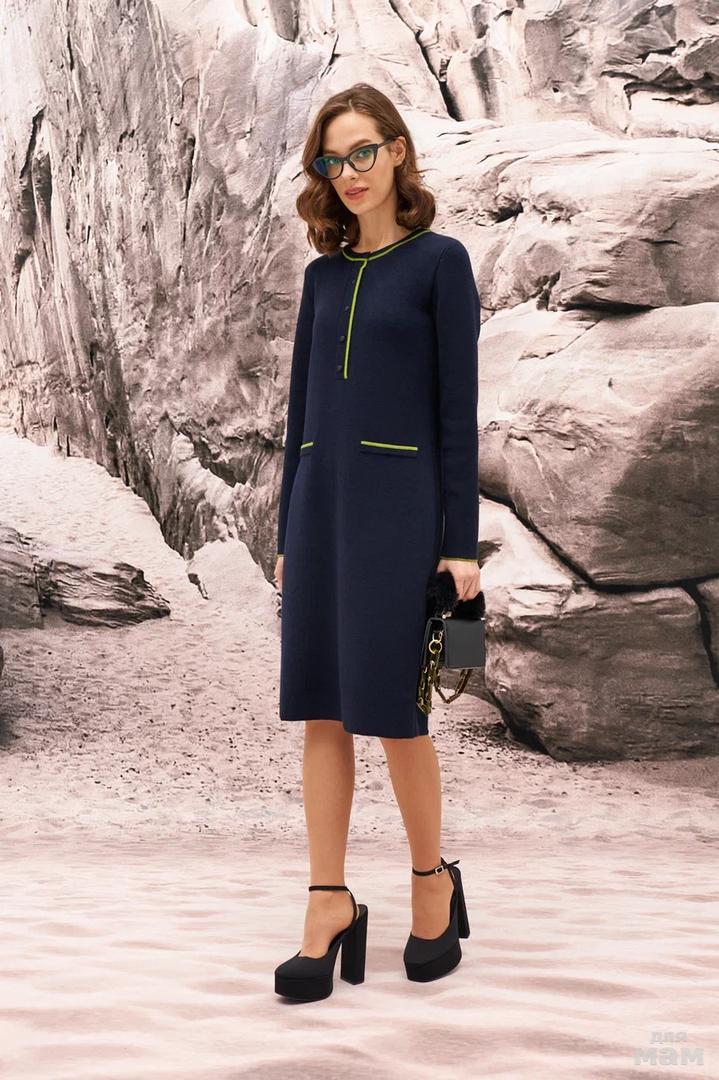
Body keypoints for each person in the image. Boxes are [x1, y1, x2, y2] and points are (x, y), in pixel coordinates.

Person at [272, 83, 481, 1002]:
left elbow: (457, 414)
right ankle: (327, 903)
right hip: (320, 513)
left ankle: (431, 884)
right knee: (320, 708)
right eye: (332, 160)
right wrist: (288, 528)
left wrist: (460, 542)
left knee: (396, 713)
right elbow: (300, 418)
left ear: (396, 150)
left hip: (401, 513)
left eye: (363, 152)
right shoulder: (321, 279)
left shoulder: (440, 263)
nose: (348, 173)